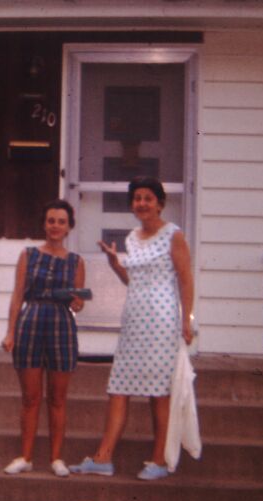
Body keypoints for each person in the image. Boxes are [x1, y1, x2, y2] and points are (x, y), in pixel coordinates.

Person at [69, 175, 194, 481]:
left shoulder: (174, 235)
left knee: (159, 392)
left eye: (148, 198)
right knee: (118, 388)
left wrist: (187, 321)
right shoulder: (132, 238)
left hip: (163, 320)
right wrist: (115, 265)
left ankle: (159, 460)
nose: (142, 204)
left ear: (160, 203)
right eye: (137, 198)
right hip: (134, 321)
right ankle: (103, 458)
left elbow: (185, 279)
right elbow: (132, 280)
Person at [1, 199, 86, 477]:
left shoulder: (77, 261)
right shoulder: (28, 255)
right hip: (31, 322)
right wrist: (10, 332)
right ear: (44, 224)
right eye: (51, 221)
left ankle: (56, 459)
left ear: (69, 227)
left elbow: (78, 301)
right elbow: (17, 295)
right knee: (30, 397)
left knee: (58, 399)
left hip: (62, 326)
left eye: (61, 221)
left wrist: (78, 302)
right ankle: (25, 457)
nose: (55, 226)